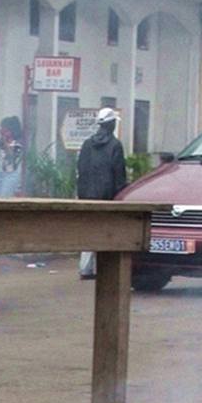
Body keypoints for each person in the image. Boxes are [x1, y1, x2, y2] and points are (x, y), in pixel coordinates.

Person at [76, 107, 127, 279]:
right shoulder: (115, 146)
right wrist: (120, 195)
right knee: (106, 232)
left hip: (86, 195)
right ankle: (102, 269)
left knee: (89, 230)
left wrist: (82, 193)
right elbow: (119, 174)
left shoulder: (87, 144)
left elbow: (80, 169)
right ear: (112, 125)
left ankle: (85, 268)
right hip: (107, 197)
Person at [0, 116, 25, 198]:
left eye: (5, 129)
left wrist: (5, 141)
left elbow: (12, 156)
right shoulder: (1, 141)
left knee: (4, 197)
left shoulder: (19, 142)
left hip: (11, 174)